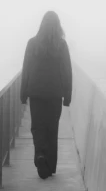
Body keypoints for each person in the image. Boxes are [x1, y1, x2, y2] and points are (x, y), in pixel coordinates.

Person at [20, 11, 72, 179]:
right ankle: (49, 166)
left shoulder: (32, 43)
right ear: (58, 26)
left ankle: (40, 154)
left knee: (38, 127)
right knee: (52, 128)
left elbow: (26, 70)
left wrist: (23, 93)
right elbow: (67, 71)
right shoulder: (61, 45)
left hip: (36, 94)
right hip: (55, 95)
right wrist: (67, 96)